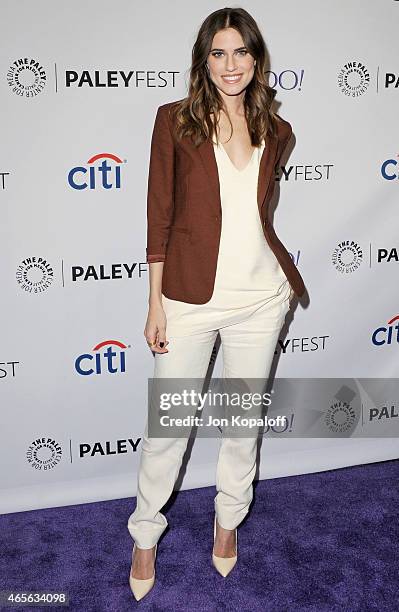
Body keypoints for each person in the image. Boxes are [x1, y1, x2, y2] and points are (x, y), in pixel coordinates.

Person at [127, 6, 306, 601]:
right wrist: (155, 302)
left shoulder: (277, 131)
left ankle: (228, 523)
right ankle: (146, 532)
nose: (231, 65)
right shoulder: (174, 121)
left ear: (257, 58)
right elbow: (160, 214)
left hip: (261, 299)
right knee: (168, 427)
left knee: (241, 423)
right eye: (218, 53)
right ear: (204, 60)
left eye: (241, 52)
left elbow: (257, 216)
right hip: (188, 299)